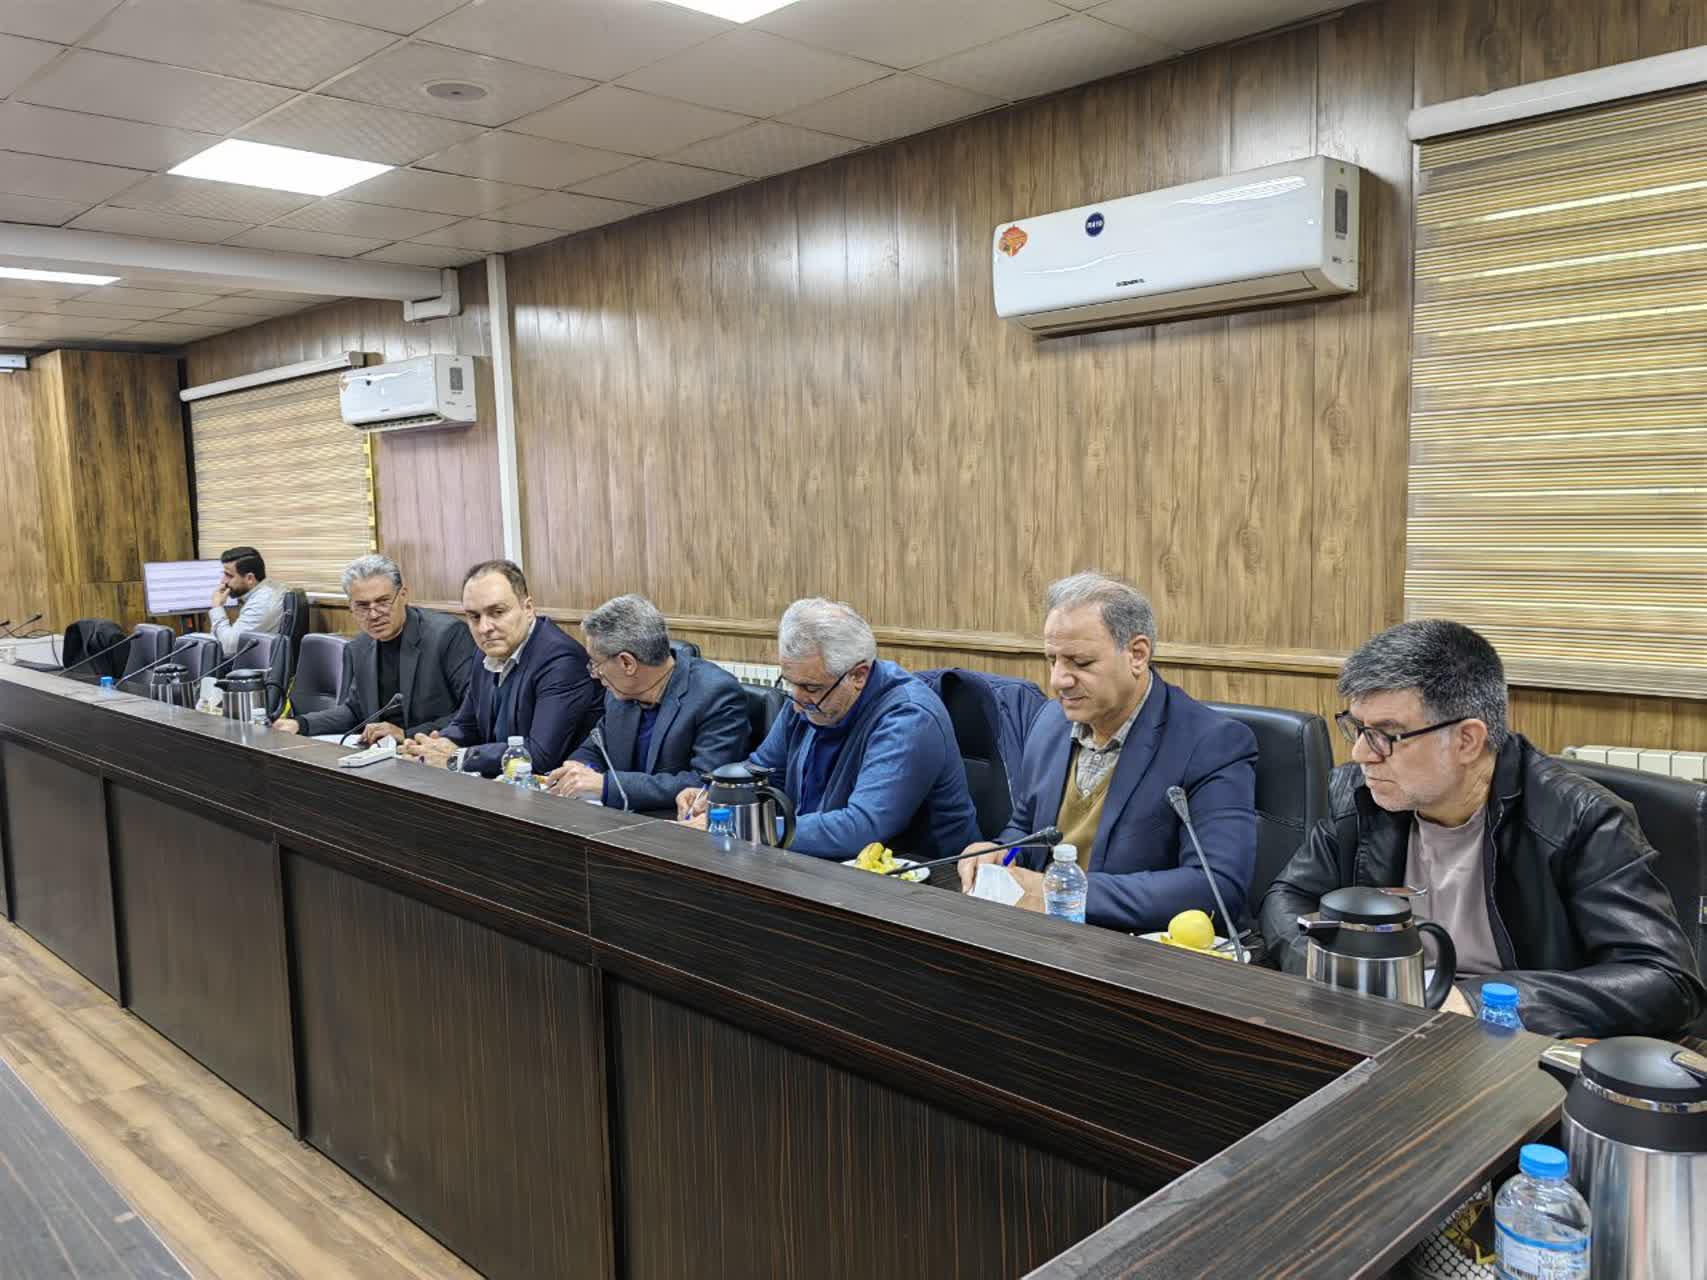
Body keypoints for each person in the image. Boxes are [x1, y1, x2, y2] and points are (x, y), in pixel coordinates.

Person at [1259, 619, 1704, 1039]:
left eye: (1386, 735)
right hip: (1386, 1022)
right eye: (1357, 728)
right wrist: (1321, 968)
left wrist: (1476, 1001)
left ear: (1467, 740)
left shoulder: (1581, 820)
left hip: (1510, 1039)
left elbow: (1666, 979)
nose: (1360, 753)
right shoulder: (1358, 796)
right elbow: (1287, 896)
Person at [958, 572, 1258, 933]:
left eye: (1080, 663)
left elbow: (1215, 888)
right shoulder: (1050, 721)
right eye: (1052, 660)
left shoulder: (1211, 743)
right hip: (1041, 939)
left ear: (1137, 654)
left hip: (1134, 950)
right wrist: (998, 854)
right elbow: (1024, 829)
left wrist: (1061, 892)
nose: (1058, 680)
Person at [675, 598, 979, 858]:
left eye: (810, 687)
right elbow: (762, 772)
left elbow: (863, 827)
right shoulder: (807, 699)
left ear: (858, 675)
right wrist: (718, 795)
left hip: (925, 883)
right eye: (791, 683)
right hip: (822, 865)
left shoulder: (909, 717)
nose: (797, 703)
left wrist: (748, 827)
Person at [545, 594, 748, 812]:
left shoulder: (716, 694)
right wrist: (579, 767)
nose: (594, 674)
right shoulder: (619, 693)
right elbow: (596, 747)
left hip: (677, 824)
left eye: (596, 663)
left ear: (627, 663)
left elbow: (704, 783)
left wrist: (607, 785)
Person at [401, 559, 600, 778]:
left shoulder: (561, 660)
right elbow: (467, 723)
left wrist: (457, 758)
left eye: (497, 612)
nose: (484, 628)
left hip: (552, 789)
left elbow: (539, 755)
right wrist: (438, 744)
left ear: (528, 608)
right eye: (474, 617)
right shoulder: (486, 651)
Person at [274, 554, 477, 743]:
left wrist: (405, 734)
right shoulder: (360, 646)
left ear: (403, 595)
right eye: (363, 606)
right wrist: (301, 724)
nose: (373, 615)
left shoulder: (447, 635)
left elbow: (473, 711)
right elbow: (355, 711)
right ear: (351, 607)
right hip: (382, 753)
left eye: (383, 602)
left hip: (433, 749)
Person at [210, 546, 284, 656]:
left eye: (229, 575)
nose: (223, 581)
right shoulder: (268, 591)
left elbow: (228, 647)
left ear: (250, 578)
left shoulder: (262, 603)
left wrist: (217, 608)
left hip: (253, 663)